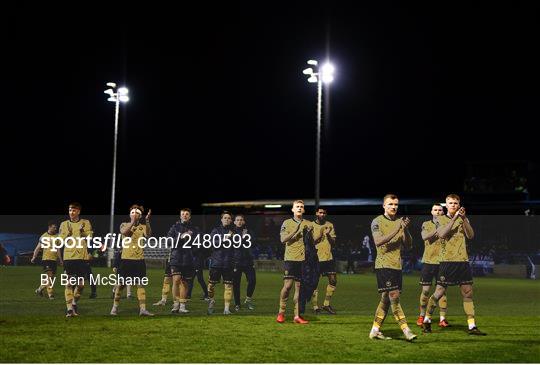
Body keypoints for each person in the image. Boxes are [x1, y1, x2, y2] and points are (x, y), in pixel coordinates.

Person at [422, 194, 486, 335]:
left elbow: (471, 236)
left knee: (468, 293)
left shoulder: (463, 219)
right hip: (447, 262)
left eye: (456, 203)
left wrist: (463, 219)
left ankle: (472, 326)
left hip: (462, 261)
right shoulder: (440, 219)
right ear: (446, 204)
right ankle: (427, 319)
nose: (453, 205)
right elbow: (443, 234)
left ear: (459, 204)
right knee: (439, 293)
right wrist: (455, 218)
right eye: (450, 203)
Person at [369, 194, 417, 341]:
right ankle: (406, 330)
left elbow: (408, 245)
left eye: (396, 204)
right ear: (384, 205)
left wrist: (405, 229)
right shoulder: (377, 221)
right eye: (390, 204)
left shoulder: (399, 223)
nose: (394, 207)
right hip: (384, 265)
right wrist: (398, 228)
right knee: (394, 297)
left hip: (396, 266)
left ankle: (375, 330)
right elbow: (378, 241)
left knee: (385, 299)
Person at [276, 200, 321, 324]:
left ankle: (297, 316)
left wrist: (318, 237)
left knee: (299, 288)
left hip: (303, 260)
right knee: (287, 286)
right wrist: (295, 231)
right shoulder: (287, 223)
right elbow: (283, 239)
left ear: (304, 210)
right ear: (293, 209)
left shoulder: (308, 224)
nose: (300, 208)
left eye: (301, 207)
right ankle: (281, 313)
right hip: (290, 258)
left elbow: (312, 242)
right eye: (297, 207)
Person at [110, 205, 154, 316]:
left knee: (140, 285)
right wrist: (133, 222)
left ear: (140, 216)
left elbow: (148, 235)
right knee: (121, 285)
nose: (134, 214)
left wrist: (147, 221)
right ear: (130, 214)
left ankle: (142, 309)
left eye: (137, 213)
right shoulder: (124, 224)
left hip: (139, 260)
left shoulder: (143, 226)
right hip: (126, 259)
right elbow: (125, 232)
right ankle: (114, 308)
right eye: (133, 212)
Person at [417, 204, 449, 327]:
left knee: (442, 292)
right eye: (435, 210)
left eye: (440, 210)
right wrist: (439, 228)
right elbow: (425, 236)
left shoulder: (448, 224)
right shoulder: (426, 224)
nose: (438, 212)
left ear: (443, 212)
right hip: (428, 262)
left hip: (443, 262)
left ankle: (442, 319)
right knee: (425, 291)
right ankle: (421, 315)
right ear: (431, 212)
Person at [59, 202, 93, 317]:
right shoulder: (64, 224)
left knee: (81, 285)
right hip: (69, 257)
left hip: (82, 258)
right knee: (68, 283)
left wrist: (83, 232)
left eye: (73, 210)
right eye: (69, 210)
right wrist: (67, 235)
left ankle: (73, 303)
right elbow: (59, 241)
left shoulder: (86, 223)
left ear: (78, 211)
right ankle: (69, 309)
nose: (71, 213)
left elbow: (90, 238)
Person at [167, 208, 199, 314]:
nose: (185, 215)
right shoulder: (174, 227)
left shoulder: (194, 229)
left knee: (185, 282)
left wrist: (192, 249)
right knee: (176, 280)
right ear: (180, 216)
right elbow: (168, 241)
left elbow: (197, 243)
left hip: (188, 259)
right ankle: (176, 304)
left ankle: (182, 305)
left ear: (190, 216)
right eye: (183, 214)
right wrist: (181, 237)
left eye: (187, 214)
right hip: (176, 258)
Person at [311, 207, 338, 314]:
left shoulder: (330, 225)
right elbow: (311, 243)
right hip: (316, 258)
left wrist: (327, 234)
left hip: (328, 258)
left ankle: (326, 304)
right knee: (315, 283)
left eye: (324, 213)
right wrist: (321, 233)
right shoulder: (311, 226)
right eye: (320, 212)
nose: (322, 214)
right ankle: (315, 306)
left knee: (333, 280)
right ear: (316, 213)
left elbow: (333, 242)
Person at [207, 211, 235, 315]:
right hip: (216, 262)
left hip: (228, 263)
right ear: (221, 219)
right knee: (211, 286)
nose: (227, 219)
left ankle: (226, 309)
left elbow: (236, 247)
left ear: (231, 220)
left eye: (229, 218)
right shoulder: (216, 231)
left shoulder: (234, 232)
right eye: (225, 218)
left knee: (228, 286)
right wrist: (225, 238)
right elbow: (213, 244)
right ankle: (211, 301)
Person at [31, 221, 63, 299]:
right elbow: (38, 248)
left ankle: (39, 289)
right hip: (46, 259)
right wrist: (34, 257)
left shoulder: (57, 237)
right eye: (54, 227)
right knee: (50, 276)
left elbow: (58, 249)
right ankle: (50, 294)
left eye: (56, 227)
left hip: (54, 260)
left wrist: (60, 259)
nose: (55, 229)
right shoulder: (44, 236)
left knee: (51, 278)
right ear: (49, 227)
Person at [232, 214, 256, 311]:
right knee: (236, 284)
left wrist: (247, 237)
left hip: (248, 261)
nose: (239, 221)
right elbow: (236, 245)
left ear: (244, 221)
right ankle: (237, 304)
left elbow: (254, 243)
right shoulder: (232, 232)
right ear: (234, 222)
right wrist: (243, 237)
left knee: (252, 281)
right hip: (236, 261)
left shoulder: (249, 232)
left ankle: (248, 299)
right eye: (237, 220)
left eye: (241, 220)